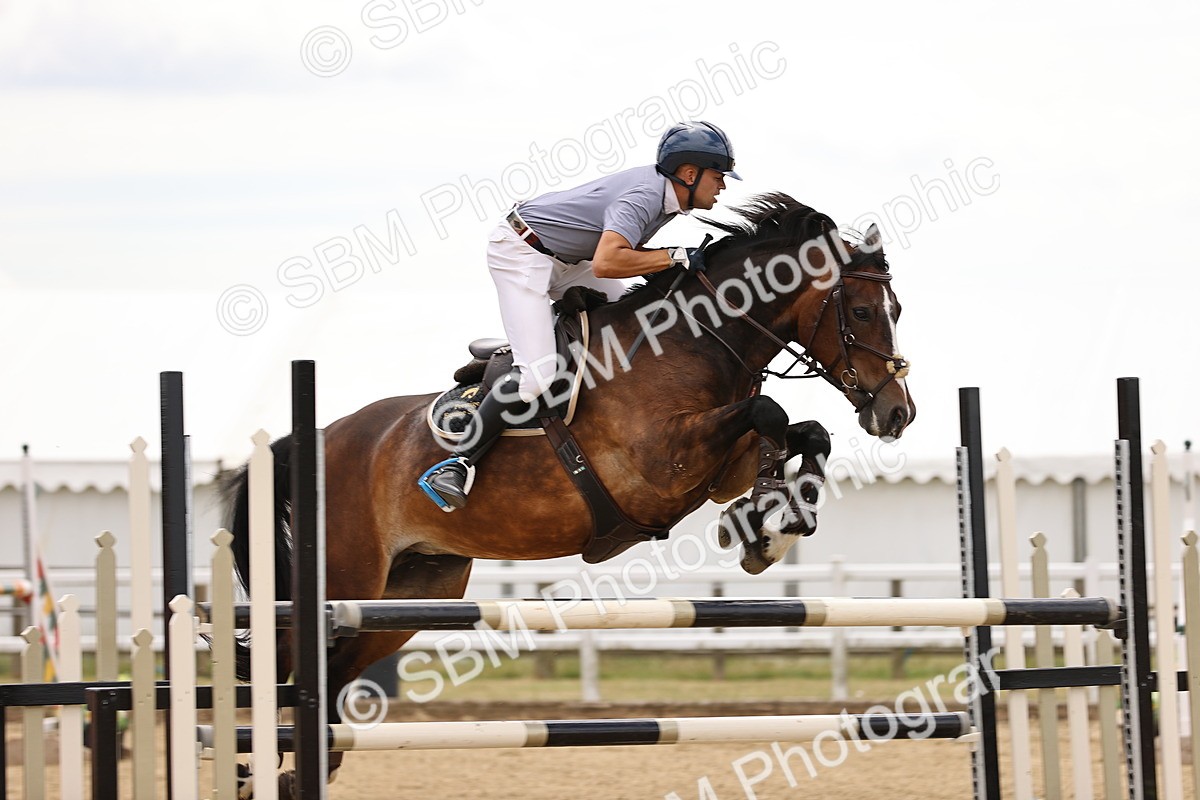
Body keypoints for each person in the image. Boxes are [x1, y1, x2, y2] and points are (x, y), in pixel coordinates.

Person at [419, 120, 741, 511]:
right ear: (689, 174)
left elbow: (625, 256)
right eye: (718, 176)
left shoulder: (670, 200)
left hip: (570, 259)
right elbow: (608, 262)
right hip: (523, 254)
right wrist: (674, 256)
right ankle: (455, 463)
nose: (722, 185)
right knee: (538, 376)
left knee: (628, 322)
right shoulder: (645, 195)